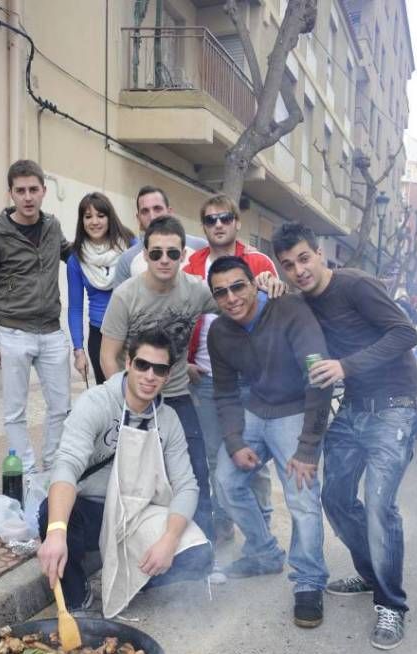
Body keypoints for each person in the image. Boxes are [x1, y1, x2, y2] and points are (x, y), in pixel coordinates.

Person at [272, 221, 417, 650]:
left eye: (304, 258)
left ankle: (390, 603)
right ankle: (372, 571)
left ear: (320, 254)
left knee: (378, 504)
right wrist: (270, 286)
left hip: (395, 407)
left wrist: (346, 366)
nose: (298, 270)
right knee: (335, 497)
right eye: (288, 265)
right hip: (354, 409)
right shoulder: (301, 300)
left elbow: (405, 332)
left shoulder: (356, 285)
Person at [37, 329, 212, 613]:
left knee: (200, 556)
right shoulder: (96, 403)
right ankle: (77, 593)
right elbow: (66, 465)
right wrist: (56, 532)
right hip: (94, 510)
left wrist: (168, 540)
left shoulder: (168, 420)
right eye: (142, 365)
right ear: (128, 363)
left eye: (159, 369)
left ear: (167, 376)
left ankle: (136, 578)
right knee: (50, 516)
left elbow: (187, 486)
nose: (149, 376)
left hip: (137, 514)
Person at [207, 256, 332, 628]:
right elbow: (226, 392)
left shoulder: (289, 310)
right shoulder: (219, 333)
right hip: (255, 412)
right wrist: (233, 440)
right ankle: (263, 553)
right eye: (221, 292)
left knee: (302, 495)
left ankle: (309, 580)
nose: (231, 298)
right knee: (226, 481)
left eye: (237, 286)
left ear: (254, 284)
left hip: (295, 411)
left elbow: (319, 378)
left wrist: (308, 447)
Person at [100, 215, 217, 542]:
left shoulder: (195, 291)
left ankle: (202, 551)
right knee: (137, 477)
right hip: (133, 399)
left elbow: (236, 300)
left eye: (172, 253)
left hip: (177, 395)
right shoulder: (126, 295)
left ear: (183, 255)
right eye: (156, 253)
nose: (164, 260)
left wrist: (263, 282)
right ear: (145, 256)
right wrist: (124, 400)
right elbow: (108, 355)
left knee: (196, 472)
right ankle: (136, 544)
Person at [185, 194, 279, 545]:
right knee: (214, 455)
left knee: (255, 456)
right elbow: (178, 314)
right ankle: (223, 521)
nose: (218, 224)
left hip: (253, 379)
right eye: (211, 220)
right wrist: (183, 361)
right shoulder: (191, 265)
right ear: (204, 227)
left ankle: (262, 525)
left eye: (225, 218)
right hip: (207, 378)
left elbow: (275, 312)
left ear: (237, 223)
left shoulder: (257, 261)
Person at [0, 159, 71, 474]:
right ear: (11, 194)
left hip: (52, 332)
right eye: (21, 191)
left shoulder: (53, 227)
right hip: (12, 333)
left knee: (61, 407)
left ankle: (53, 464)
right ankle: (26, 472)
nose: (27, 197)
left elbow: (73, 254)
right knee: (15, 412)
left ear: (43, 191)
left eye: (33, 190)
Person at [67, 192, 135, 385]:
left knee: (139, 392)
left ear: (109, 218)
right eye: (88, 216)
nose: (94, 222)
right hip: (100, 335)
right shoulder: (75, 259)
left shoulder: (131, 246)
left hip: (133, 331)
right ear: (82, 221)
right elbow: (75, 308)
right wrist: (78, 351)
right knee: (110, 396)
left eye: (100, 216)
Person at [112, 185, 207, 287]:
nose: (152, 216)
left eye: (157, 209)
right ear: (138, 217)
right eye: (145, 211)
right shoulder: (127, 259)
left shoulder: (200, 247)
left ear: (169, 212)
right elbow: (121, 301)